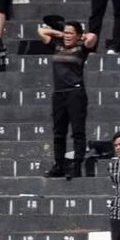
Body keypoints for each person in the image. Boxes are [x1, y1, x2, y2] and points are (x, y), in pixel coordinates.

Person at [38, 19, 92, 179]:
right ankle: (59, 165)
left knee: (77, 131)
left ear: (78, 35)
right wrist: (61, 34)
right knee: (58, 133)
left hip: (75, 93)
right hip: (59, 93)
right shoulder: (57, 46)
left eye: (70, 33)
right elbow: (41, 31)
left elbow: (92, 37)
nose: (67, 36)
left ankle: (77, 166)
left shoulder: (81, 49)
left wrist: (80, 37)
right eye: (66, 33)